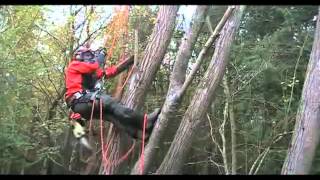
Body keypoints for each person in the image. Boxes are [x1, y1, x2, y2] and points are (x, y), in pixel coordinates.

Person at [64, 46, 160, 141]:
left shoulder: (88, 71)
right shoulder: (74, 64)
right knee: (112, 103)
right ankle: (145, 122)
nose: (89, 58)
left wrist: (129, 61)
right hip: (81, 101)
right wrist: (100, 56)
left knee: (112, 116)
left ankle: (139, 134)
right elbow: (93, 66)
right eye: (87, 55)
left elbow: (108, 72)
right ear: (79, 56)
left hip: (83, 104)